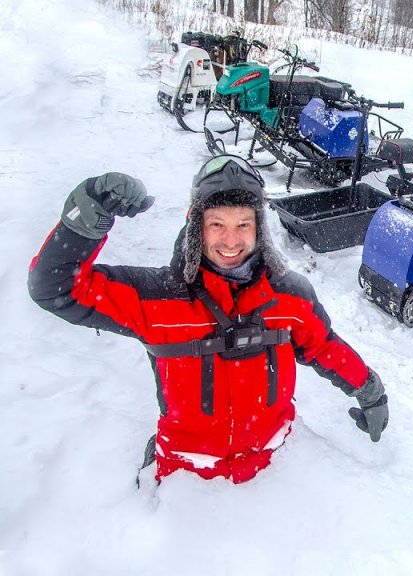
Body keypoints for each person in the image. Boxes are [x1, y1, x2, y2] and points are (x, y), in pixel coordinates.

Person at [28, 155, 389, 484]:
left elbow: (324, 347)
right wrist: (87, 211)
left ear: (259, 229)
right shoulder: (156, 297)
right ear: (195, 228)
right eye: (216, 224)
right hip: (186, 485)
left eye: (243, 224)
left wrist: (369, 389)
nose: (230, 240)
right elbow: (55, 287)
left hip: (276, 475)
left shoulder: (289, 296)